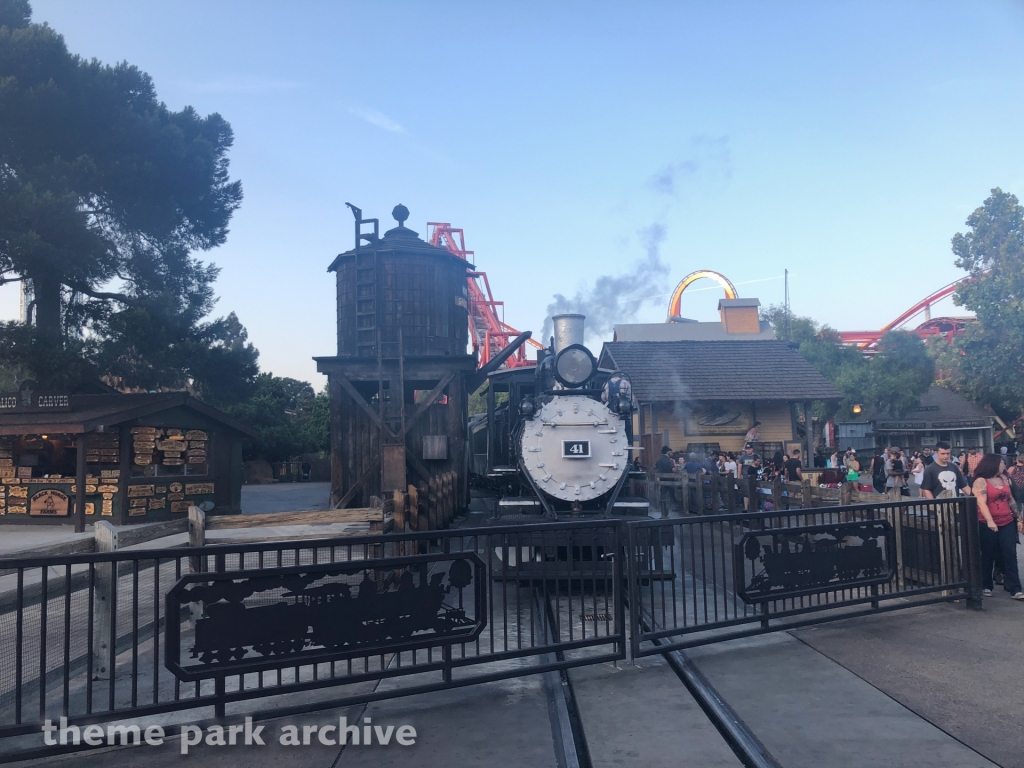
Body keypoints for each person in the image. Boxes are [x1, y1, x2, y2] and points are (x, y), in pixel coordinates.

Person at [971, 454, 1024, 599]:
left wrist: (1018, 518)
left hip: (1006, 521)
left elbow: (1011, 499)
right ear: (993, 464)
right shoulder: (981, 481)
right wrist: (990, 521)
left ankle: (1016, 588)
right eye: (1001, 463)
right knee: (988, 554)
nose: (1003, 466)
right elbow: (981, 502)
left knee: (1010, 553)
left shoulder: (1003, 479)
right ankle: (986, 585)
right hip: (987, 522)